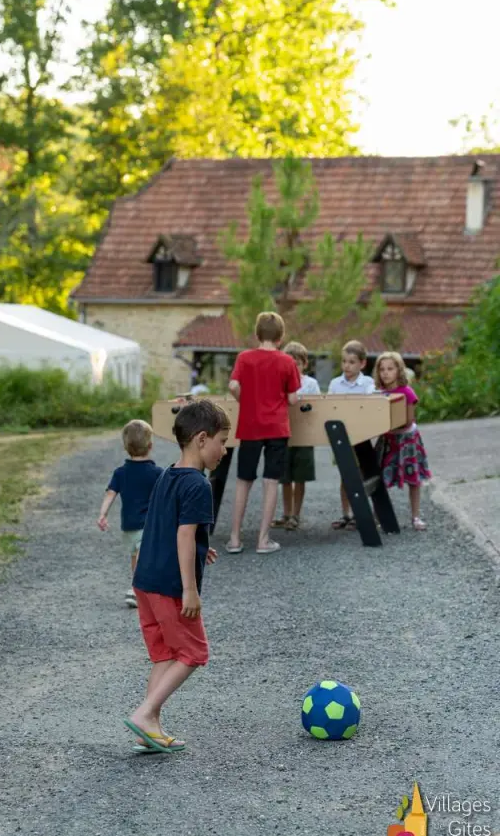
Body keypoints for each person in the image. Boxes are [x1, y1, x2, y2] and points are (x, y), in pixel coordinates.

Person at [124, 400, 230, 754]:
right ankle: (145, 713)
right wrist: (190, 590)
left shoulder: (167, 474)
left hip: (145, 581)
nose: (224, 450)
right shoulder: (199, 485)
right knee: (194, 652)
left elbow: (170, 526)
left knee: (165, 654)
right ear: (202, 439)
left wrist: (202, 547)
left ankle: (148, 729)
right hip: (171, 586)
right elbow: (184, 535)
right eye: (222, 441)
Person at [225, 311, 301, 555]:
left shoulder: (244, 358)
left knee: (243, 480)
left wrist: (245, 400)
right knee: (270, 482)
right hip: (277, 427)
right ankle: (263, 540)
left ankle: (234, 539)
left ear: (257, 334)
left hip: (250, 427)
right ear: (281, 337)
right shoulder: (287, 362)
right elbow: (293, 399)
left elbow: (233, 385)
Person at [97, 419, 163, 608]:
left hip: (129, 526)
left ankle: (140, 589)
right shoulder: (157, 472)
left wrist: (103, 514)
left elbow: (110, 493)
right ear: (150, 446)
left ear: (126, 447)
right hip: (148, 526)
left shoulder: (121, 472)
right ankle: (138, 589)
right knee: (143, 557)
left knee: (136, 557)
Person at [373, 351, 431, 530]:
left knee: (413, 479)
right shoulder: (379, 394)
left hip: (407, 440)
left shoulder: (406, 392)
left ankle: (415, 517)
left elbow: (408, 420)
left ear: (399, 370)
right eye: (382, 369)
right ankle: (378, 517)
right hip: (387, 441)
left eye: (390, 369)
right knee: (380, 479)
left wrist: (387, 424)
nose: (385, 373)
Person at [272, 341, 321, 531]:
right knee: (285, 478)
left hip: (304, 435)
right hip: (284, 435)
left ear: (304, 364)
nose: (293, 368)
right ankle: (286, 513)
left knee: (300, 476)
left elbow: (317, 408)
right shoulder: (278, 382)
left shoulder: (310, 384)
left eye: (297, 364)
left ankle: (296, 515)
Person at [328, 340, 376, 530]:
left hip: (361, 437)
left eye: (352, 362)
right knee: (345, 475)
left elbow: (370, 406)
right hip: (341, 437)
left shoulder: (368, 384)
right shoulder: (335, 384)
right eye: (344, 361)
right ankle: (346, 513)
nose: (347, 366)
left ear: (362, 364)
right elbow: (329, 407)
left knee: (361, 475)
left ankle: (360, 513)